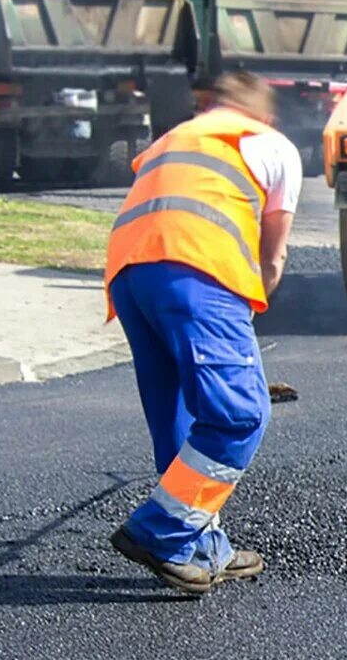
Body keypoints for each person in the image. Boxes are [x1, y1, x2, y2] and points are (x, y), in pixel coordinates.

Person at [104, 71, 302, 593]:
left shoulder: (175, 138)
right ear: (265, 116)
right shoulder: (272, 144)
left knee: (179, 414)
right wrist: (244, 317)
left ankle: (202, 545)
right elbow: (272, 254)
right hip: (197, 269)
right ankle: (160, 531)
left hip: (128, 272)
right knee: (239, 415)